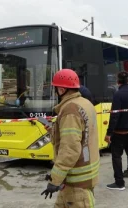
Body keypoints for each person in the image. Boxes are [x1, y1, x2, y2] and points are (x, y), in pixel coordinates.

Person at [40, 69, 99, 207]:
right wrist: (55, 131)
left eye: (55, 89)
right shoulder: (85, 103)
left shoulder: (69, 110)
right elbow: (82, 135)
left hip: (76, 183)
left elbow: (70, 149)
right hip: (83, 174)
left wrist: (55, 179)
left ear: (61, 90)